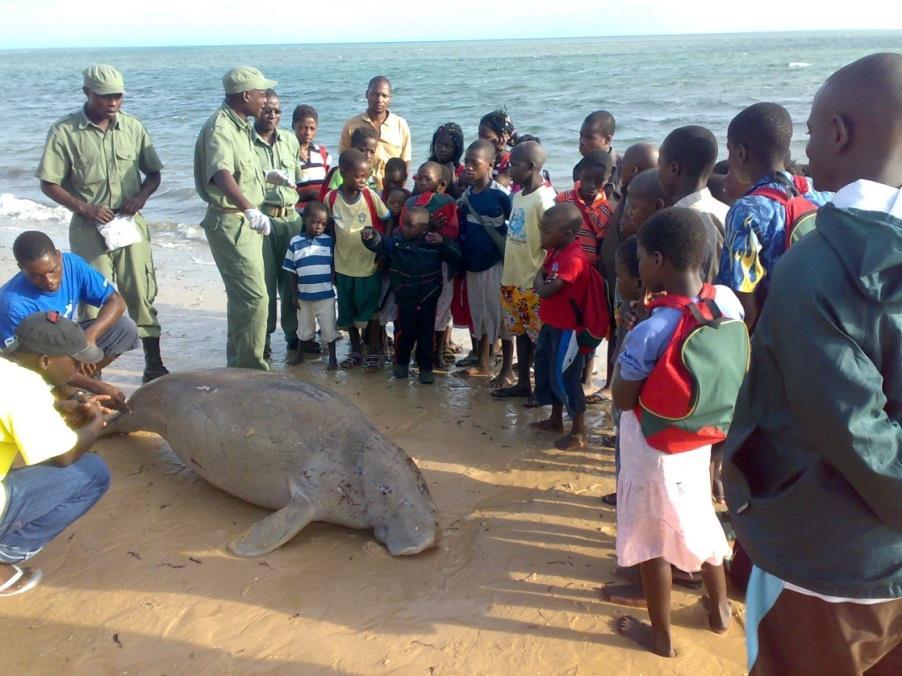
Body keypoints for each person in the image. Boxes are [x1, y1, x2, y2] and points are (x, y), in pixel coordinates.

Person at [724, 52, 902, 676]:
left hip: (831, 563)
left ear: (839, 133)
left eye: (810, 131)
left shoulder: (814, 266)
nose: (803, 151)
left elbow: (853, 429)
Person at [610, 207, 741, 657]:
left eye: (643, 258)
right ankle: (719, 608)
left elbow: (623, 399)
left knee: (652, 541)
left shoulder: (652, 329)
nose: (640, 265)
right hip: (698, 437)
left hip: (654, 443)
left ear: (658, 261)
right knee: (700, 517)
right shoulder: (724, 300)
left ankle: (660, 635)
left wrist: (636, 339)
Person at [36, 64, 168, 383]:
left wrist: (140, 197)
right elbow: (48, 182)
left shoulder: (134, 128)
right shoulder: (65, 132)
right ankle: (90, 371)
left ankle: (153, 363)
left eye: (118, 96)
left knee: (141, 291)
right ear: (87, 93)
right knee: (94, 299)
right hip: (88, 228)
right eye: (106, 96)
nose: (113, 102)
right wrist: (85, 207)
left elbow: (154, 174)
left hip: (128, 225)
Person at [0, 311, 112, 596]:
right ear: (46, 361)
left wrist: (58, 409)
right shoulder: (24, 386)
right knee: (92, 473)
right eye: (74, 361)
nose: (81, 366)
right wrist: (95, 424)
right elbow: (65, 456)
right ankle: (4, 557)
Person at [717, 102, 832, 329]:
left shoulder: (746, 211)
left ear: (740, 153)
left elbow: (743, 298)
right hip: (824, 317)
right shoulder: (819, 191)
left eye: (729, 150)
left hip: (777, 332)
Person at [194, 66, 277, 370]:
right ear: (246, 96)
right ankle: (250, 368)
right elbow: (220, 173)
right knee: (255, 298)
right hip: (231, 223)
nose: (265, 100)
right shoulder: (220, 128)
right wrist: (248, 207)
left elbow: (240, 169)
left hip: (243, 223)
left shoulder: (241, 125)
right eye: (261, 94)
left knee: (244, 299)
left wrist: (267, 176)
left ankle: (239, 365)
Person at [0, 231, 133, 410]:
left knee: (125, 328)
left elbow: (116, 301)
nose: (49, 281)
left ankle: (73, 385)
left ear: (58, 256)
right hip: (34, 361)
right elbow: (27, 361)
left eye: (52, 270)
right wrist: (98, 387)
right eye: (36, 276)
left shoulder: (72, 264)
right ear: (21, 268)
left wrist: (89, 338)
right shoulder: (12, 304)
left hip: (63, 343)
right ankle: (67, 389)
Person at [363, 206, 462, 384]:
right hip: (405, 298)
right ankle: (401, 363)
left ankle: (426, 368)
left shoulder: (434, 244)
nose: (404, 228)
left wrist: (444, 242)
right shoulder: (397, 241)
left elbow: (457, 255)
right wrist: (370, 236)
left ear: (424, 229)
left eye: (410, 225)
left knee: (426, 336)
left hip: (428, 299)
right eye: (404, 223)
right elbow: (380, 244)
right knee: (403, 334)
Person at [492, 141, 556, 400]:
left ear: (530, 166)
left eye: (514, 164)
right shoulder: (518, 195)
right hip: (512, 279)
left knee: (538, 340)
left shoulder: (545, 200)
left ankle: (542, 388)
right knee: (519, 333)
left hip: (532, 282)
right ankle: (522, 384)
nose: (508, 167)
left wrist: (544, 276)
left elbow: (553, 243)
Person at [529, 203, 595, 450]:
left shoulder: (574, 259)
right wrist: (540, 278)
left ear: (567, 234)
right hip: (551, 322)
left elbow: (545, 287)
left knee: (567, 375)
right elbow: (543, 276)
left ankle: (579, 431)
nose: (542, 237)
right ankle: (555, 418)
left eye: (546, 232)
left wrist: (538, 280)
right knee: (546, 367)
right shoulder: (556, 251)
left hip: (569, 328)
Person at [597, 144, 659, 401]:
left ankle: (618, 391)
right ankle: (613, 384)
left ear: (631, 169)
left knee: (627, 338)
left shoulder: (642, 204)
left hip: (633, 291)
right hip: (619, 282)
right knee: (617, 334)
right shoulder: (628, 196)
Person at [324, 149, 391, 370]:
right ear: (343, 173)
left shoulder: (370, 197)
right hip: (343, 266)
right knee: (347, 311)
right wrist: (331, 262)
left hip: (368, 265)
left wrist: (383, 250)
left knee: (370, 311)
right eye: (358, 176)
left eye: (366, 175)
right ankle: (355, 349)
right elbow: (329, 230)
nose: (363, 180)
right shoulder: (331, 198)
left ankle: (372, 350)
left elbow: (387, 218)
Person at [252, 89, 304, 357]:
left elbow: (295, 178)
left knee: (291, 281)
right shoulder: (246, 142)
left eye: (276, 110)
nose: (271, 115)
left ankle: (294, 337)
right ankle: (265, 338)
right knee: (264, 283)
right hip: (262, 221)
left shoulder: (290, 141)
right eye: (266, 109)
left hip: (290, 221)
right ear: (256, 108)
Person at [455, 140, 512, 379]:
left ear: (489, 165)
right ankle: (484, 364)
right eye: (466, 162)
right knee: (480, 314)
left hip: (495, 264)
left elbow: (512, 229)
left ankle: (507, 369)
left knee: (500, 316)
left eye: (474, 163)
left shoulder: (500, 196)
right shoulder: (467, 196)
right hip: (473, 264)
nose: (468, 167)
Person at [405, 161, 460, 368]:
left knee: (442, 309)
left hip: (441, 263)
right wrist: (427, 225)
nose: (422, 182)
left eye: (428, 179)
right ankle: (420, 353)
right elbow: (405, 229)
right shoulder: (410, 203)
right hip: (417, 264)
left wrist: (436, 234)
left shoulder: (447, 202)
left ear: (441, 183)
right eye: (419, 178)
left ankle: (436, 353)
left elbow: (452, 231)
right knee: (421, 309)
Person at [657, 125, 727, 283]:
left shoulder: (680, 224)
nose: (658, 171)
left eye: (660, 164)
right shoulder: (726, 211)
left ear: (674, 168)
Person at [282, 201, 338, 371]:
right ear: (304, 220)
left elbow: (335, 267)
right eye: (314, 222)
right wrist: (294, 295)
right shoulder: (295, 242)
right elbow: (291, 271)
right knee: (304, 328)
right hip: (304, 296)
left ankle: (333, 358)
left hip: (325, 295)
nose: (318, 226)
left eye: (323, 223)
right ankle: (299, 355)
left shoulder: (329, 242)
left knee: (329, 328)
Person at [339, 76, 411, 190]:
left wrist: (400, 191)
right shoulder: (351, 126)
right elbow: (344, 161)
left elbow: (405, 162)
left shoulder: (400, 125)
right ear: (366, 94)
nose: (379, 99)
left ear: (390, 98)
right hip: (361, 191)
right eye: (375, 94)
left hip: (391, 192)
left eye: (384, 96)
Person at [292, 104, 333, 208]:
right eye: (303, 128)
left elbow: (329, 185)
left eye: (312, 128)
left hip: (320, 213)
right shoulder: (287, 154)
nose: (308, 133)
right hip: (298, 213)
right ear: (294, 125)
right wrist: (310, 193)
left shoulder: (322, 154)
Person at [322, 125, 380, 197]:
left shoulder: (372, 173)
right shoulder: (342, 173)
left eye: (372, 152)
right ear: (352, 148)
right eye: (362, 150)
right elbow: (331, 198)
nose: (368, 155)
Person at [576, 110, 621, 198]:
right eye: (581, 135)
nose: (582, 142)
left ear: (607, 140)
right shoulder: (579, 169)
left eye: (589, 137)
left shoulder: (624, 168)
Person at [478, 110, 518, 188]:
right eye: (480, 136)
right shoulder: (482, 160)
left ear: (503, 137)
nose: (481, 141)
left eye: (486, 137)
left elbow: (495, 188)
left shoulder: (511, 162)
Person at [429, 122, 465, 196]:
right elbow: (414, 195)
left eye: (448, 146)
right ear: (434, 144)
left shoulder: (462, 172)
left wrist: (452, 176)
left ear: (456, 149)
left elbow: (461, 199)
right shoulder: (428, 168)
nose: (442, 149)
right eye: (439, 144)